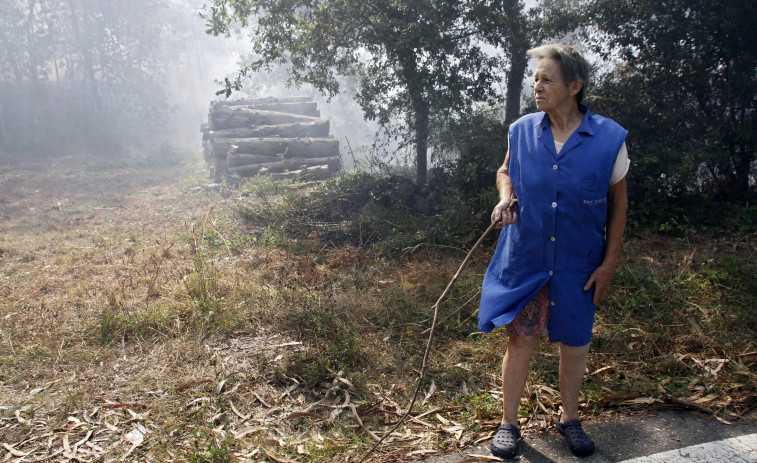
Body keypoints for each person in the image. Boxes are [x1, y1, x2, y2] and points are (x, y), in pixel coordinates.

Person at [479, 44, 629, 459]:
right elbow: (505, 170)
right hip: (527, 259)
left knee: (575, 344)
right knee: (520, 341)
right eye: (535, 78)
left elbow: (620, 204)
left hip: (579, 263)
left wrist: (609, 263)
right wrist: (505, 197)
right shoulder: (522, 130)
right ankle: (508, 423)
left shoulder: (609, 139)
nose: (537, 86)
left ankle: (570, 419)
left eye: (547, 79)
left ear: (574, 86)